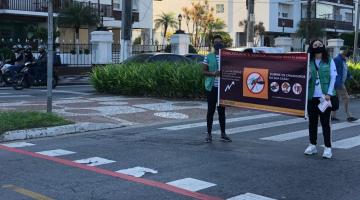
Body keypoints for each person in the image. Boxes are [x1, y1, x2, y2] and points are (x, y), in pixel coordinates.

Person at [304, 39, 337, 159]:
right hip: (312, 97)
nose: (317, 46)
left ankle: (328, 148)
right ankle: (312, 145)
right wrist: (309, 76)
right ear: (312, 47)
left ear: (323, 46)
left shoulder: (329, 61)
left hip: (325, 97)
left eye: (319, 44)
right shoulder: (309, 61)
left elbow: (333, 78)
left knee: (325, 123)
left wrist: (329, 93)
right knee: (312, 123)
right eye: (315, 45)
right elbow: (305, 78)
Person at [202, 35, 231, 143]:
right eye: (215, 42)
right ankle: (209, 134)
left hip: (223, 89)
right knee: (210, 111)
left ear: (222, 43)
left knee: (221, 112)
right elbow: (203, 71)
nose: (218, 44)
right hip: (212, 88)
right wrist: (213, 73)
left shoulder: (227, 57)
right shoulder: (208, 56)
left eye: (219, 42)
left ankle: (223, 134)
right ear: (213, 45)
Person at [332, 48, 359, 122]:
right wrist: (337, 83)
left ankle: (332, 115)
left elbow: (346, 71)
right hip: (338, 83)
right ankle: (349, 116)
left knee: (336, 100)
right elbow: (334, 71)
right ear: (343, 54)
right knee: (346, 98)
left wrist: (353, 79)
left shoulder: (343, 60)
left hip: (339, 83)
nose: (348, 57)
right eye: (347, 55)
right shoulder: (337, 60)